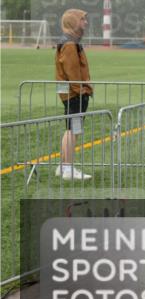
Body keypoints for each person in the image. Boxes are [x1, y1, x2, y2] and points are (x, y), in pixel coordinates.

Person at [55, 9, 93, 180]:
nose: (85, 22)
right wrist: (82, 90)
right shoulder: (70, 44)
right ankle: (68, 169)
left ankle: (64, 166)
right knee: (73, 130)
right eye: (82, 19)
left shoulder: (70, 41)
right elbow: (72, 72)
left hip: (72, 93)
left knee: (71, 129)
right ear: (74, 22)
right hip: (74, 94)